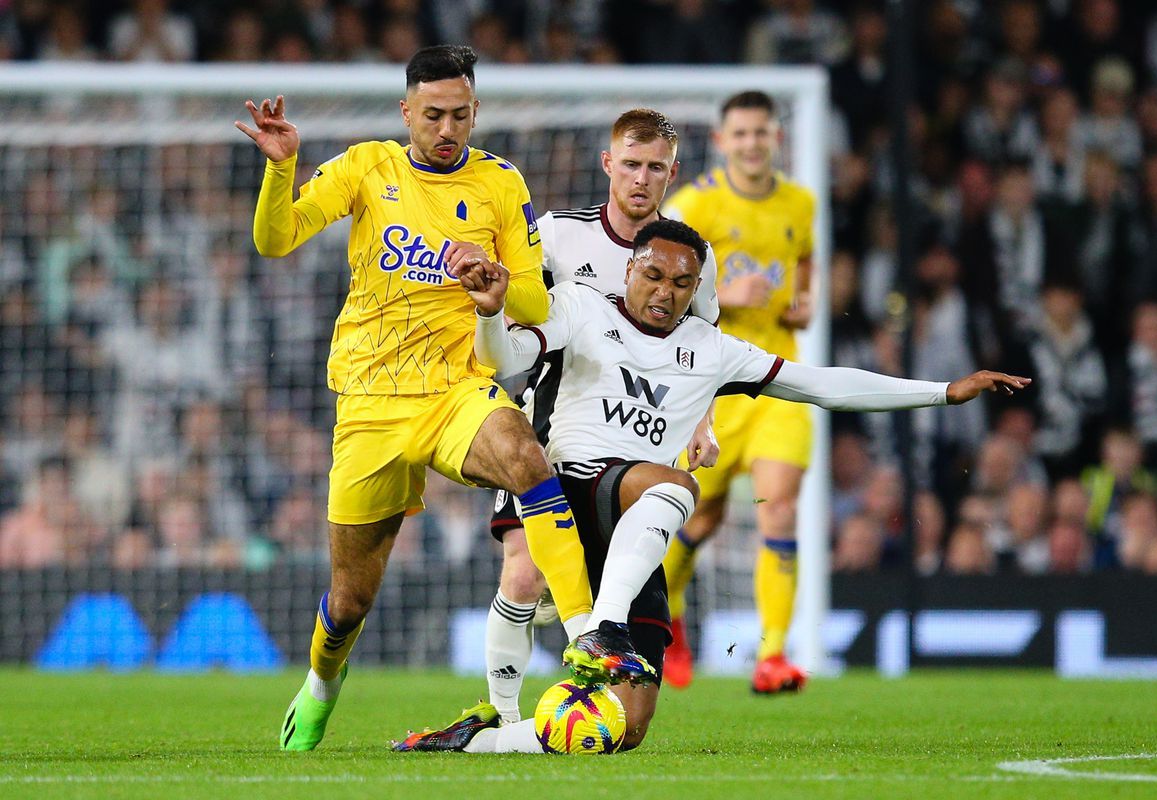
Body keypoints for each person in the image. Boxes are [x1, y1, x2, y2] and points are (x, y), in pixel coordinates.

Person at [392, 219, 1028, 753]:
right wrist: (491, 314)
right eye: (652, 275)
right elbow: (504, 362)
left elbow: (822, 385)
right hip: (575, 487)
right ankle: (595, 635)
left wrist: (944, 392)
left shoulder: (712, 349)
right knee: (672, 487)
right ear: (629, 272)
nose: (664, 291)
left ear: (697, 289)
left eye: (681, 282)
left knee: (627, 726)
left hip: (635, 522)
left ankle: (481, 741)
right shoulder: (581, 308)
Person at [235, 44, 603, 751]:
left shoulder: (500, 183)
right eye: (432, 114)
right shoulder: (367, 166)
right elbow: (275, 241)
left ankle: (587, 635)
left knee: (526, 457)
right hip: (370, 401)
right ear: (406, 111)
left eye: (460, 115)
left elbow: (533, 293)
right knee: (348, 602)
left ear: (475, 113)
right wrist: (281, 170)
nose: (446, 128)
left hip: (454, 389)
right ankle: (320, 685)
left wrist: (494, 280)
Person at [482, 107, 720, 726]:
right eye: (632, 164)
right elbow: (520, 323)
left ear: (674, 173)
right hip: (550, 426)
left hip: (635, 443)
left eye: (656, 168)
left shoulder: (692, 255)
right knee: (525, 570)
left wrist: (702, 423)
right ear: (608, 164)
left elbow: (704, 350)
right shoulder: (559, 236)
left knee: (606, 578)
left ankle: (600, 660)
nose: (642, 179)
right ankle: (498, 716)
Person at [659, 90, 818, 692]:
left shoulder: (800, 203)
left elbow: (804, 263)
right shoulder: (694, 204)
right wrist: (725, 301)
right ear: (722, 142)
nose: (753, 143)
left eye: (762, 132)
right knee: (695, 518)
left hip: (778, 377)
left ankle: (773, 654)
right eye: (741, 134)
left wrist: (805, 302)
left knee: (779, 505)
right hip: (711, 386)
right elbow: (660, 297)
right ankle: (669, 618)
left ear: (776, 139)